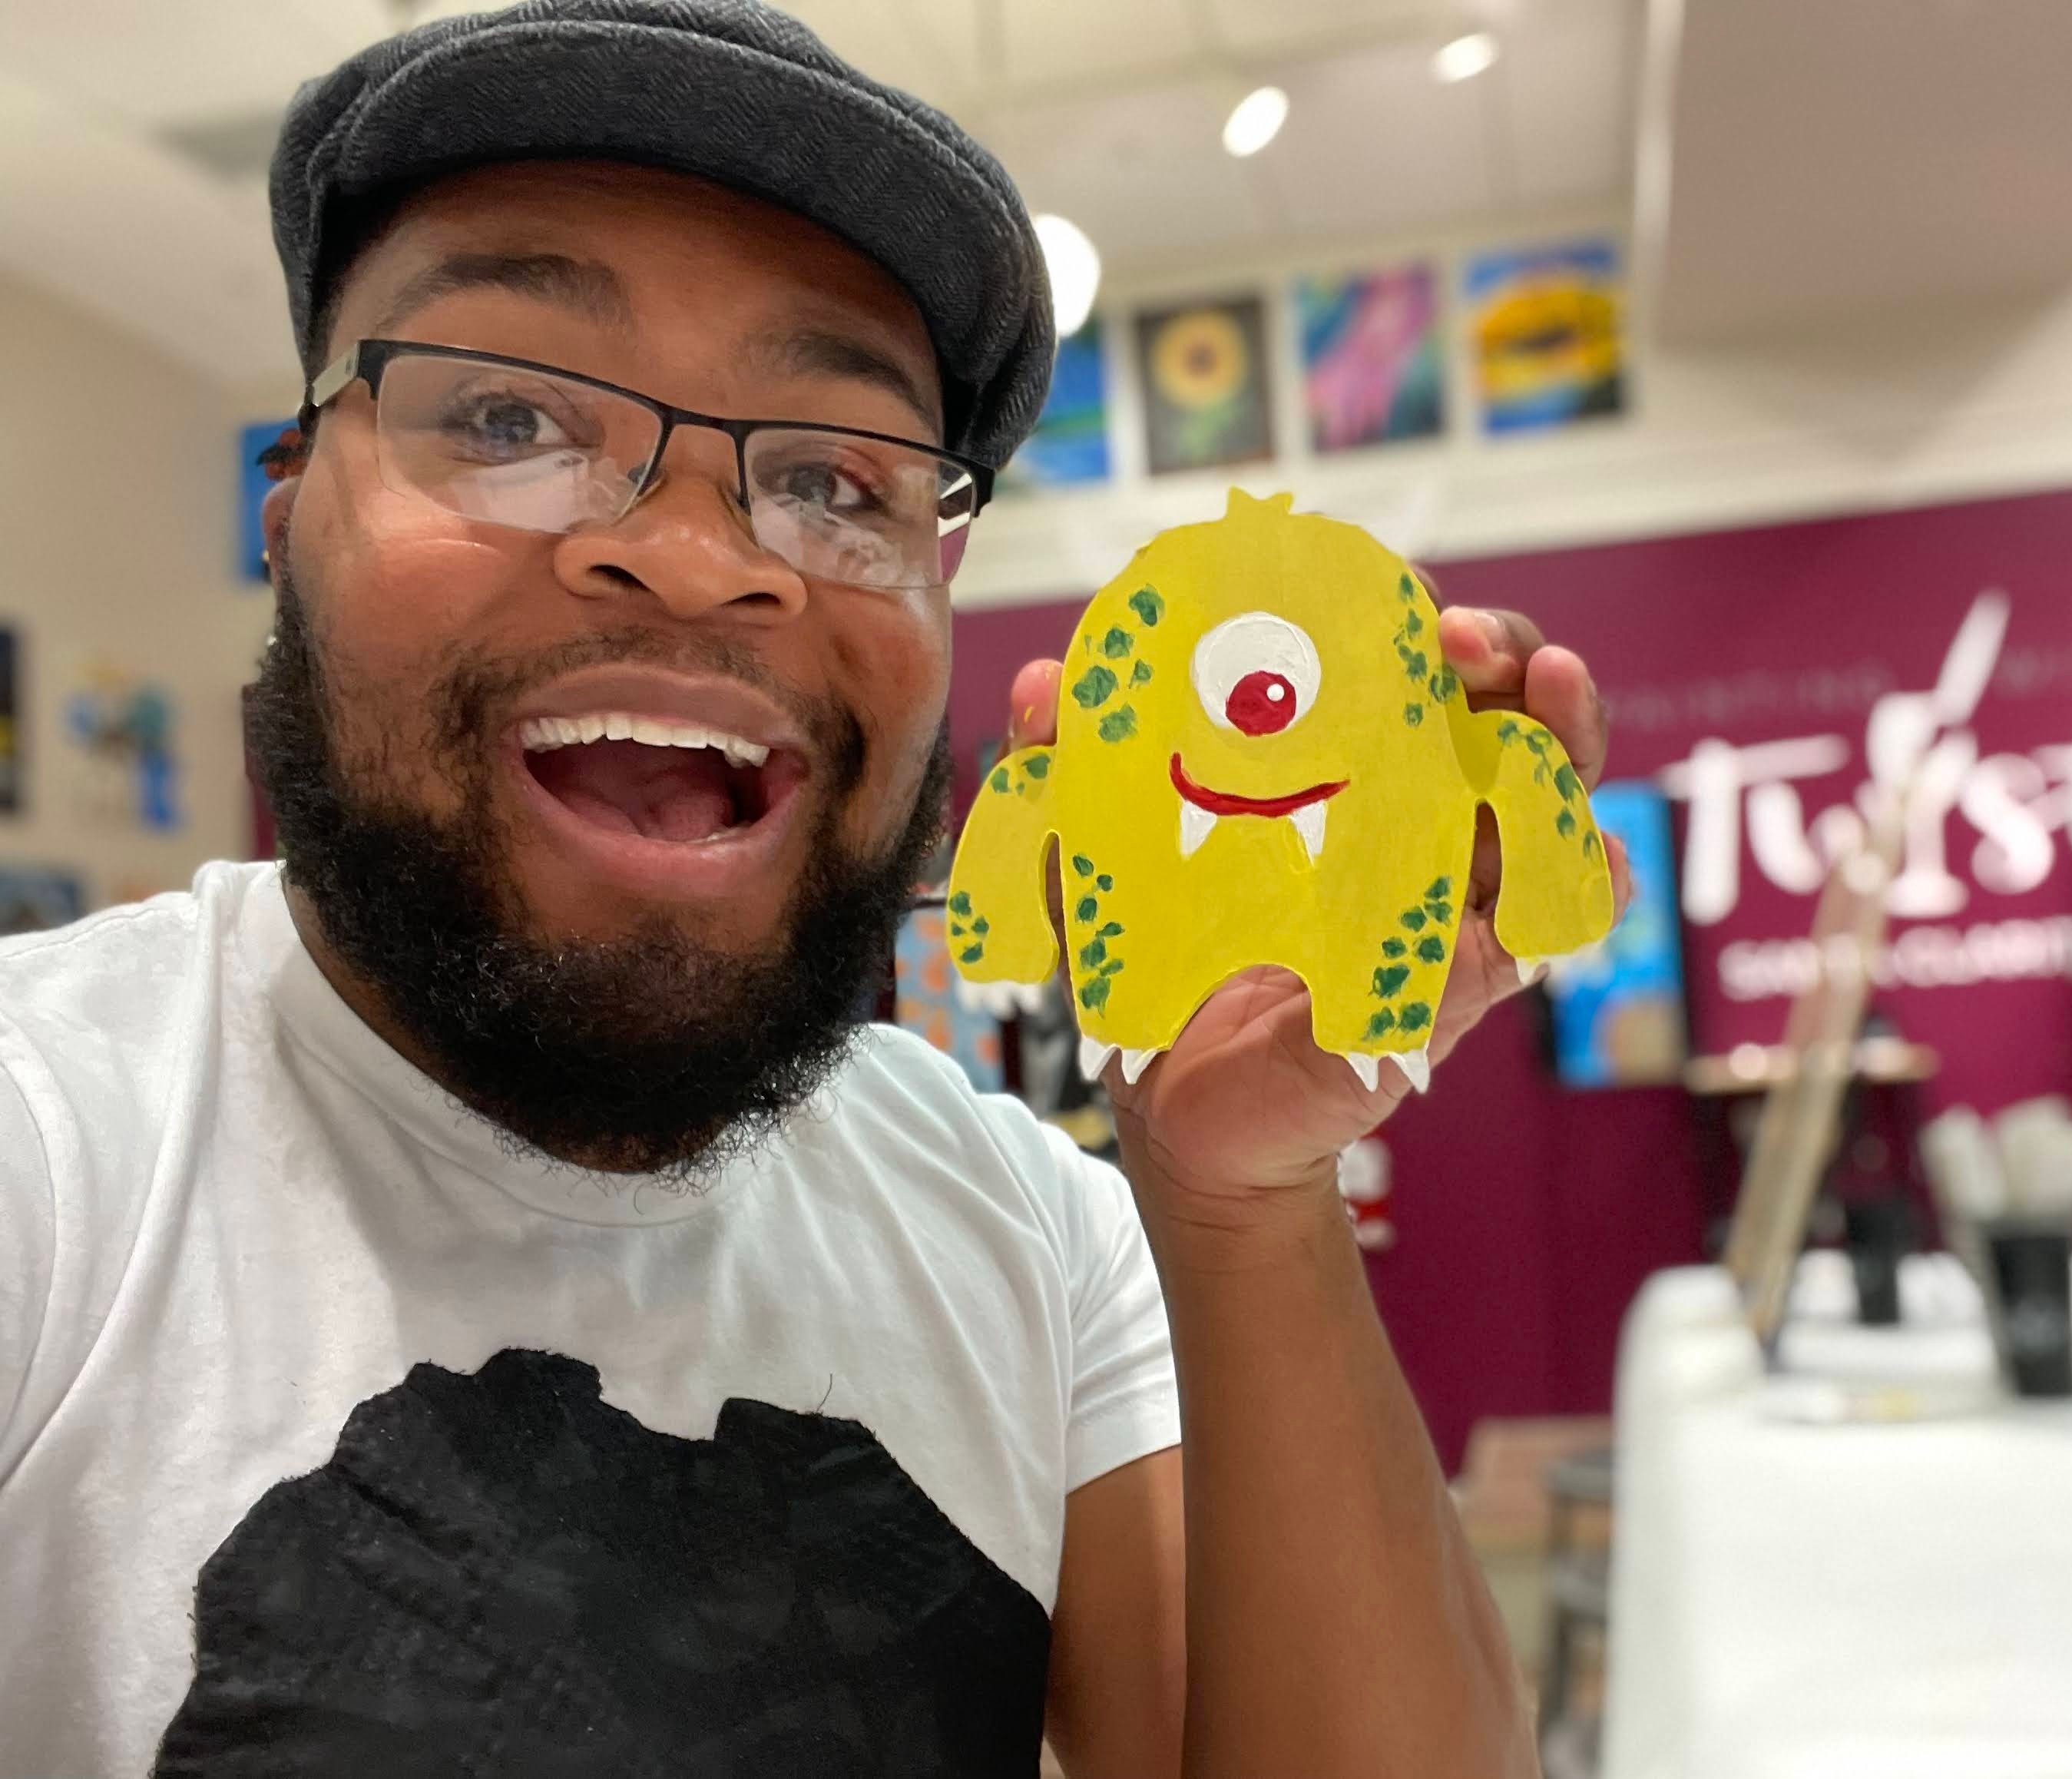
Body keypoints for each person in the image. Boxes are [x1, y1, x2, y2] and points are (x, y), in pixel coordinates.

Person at [0, 4, 1626, 1774]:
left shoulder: (1022, 1227)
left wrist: (1245, 1200)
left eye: (837, 478)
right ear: (290, 514)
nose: (695, 556)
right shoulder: (57, 1154)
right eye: (507, 412)